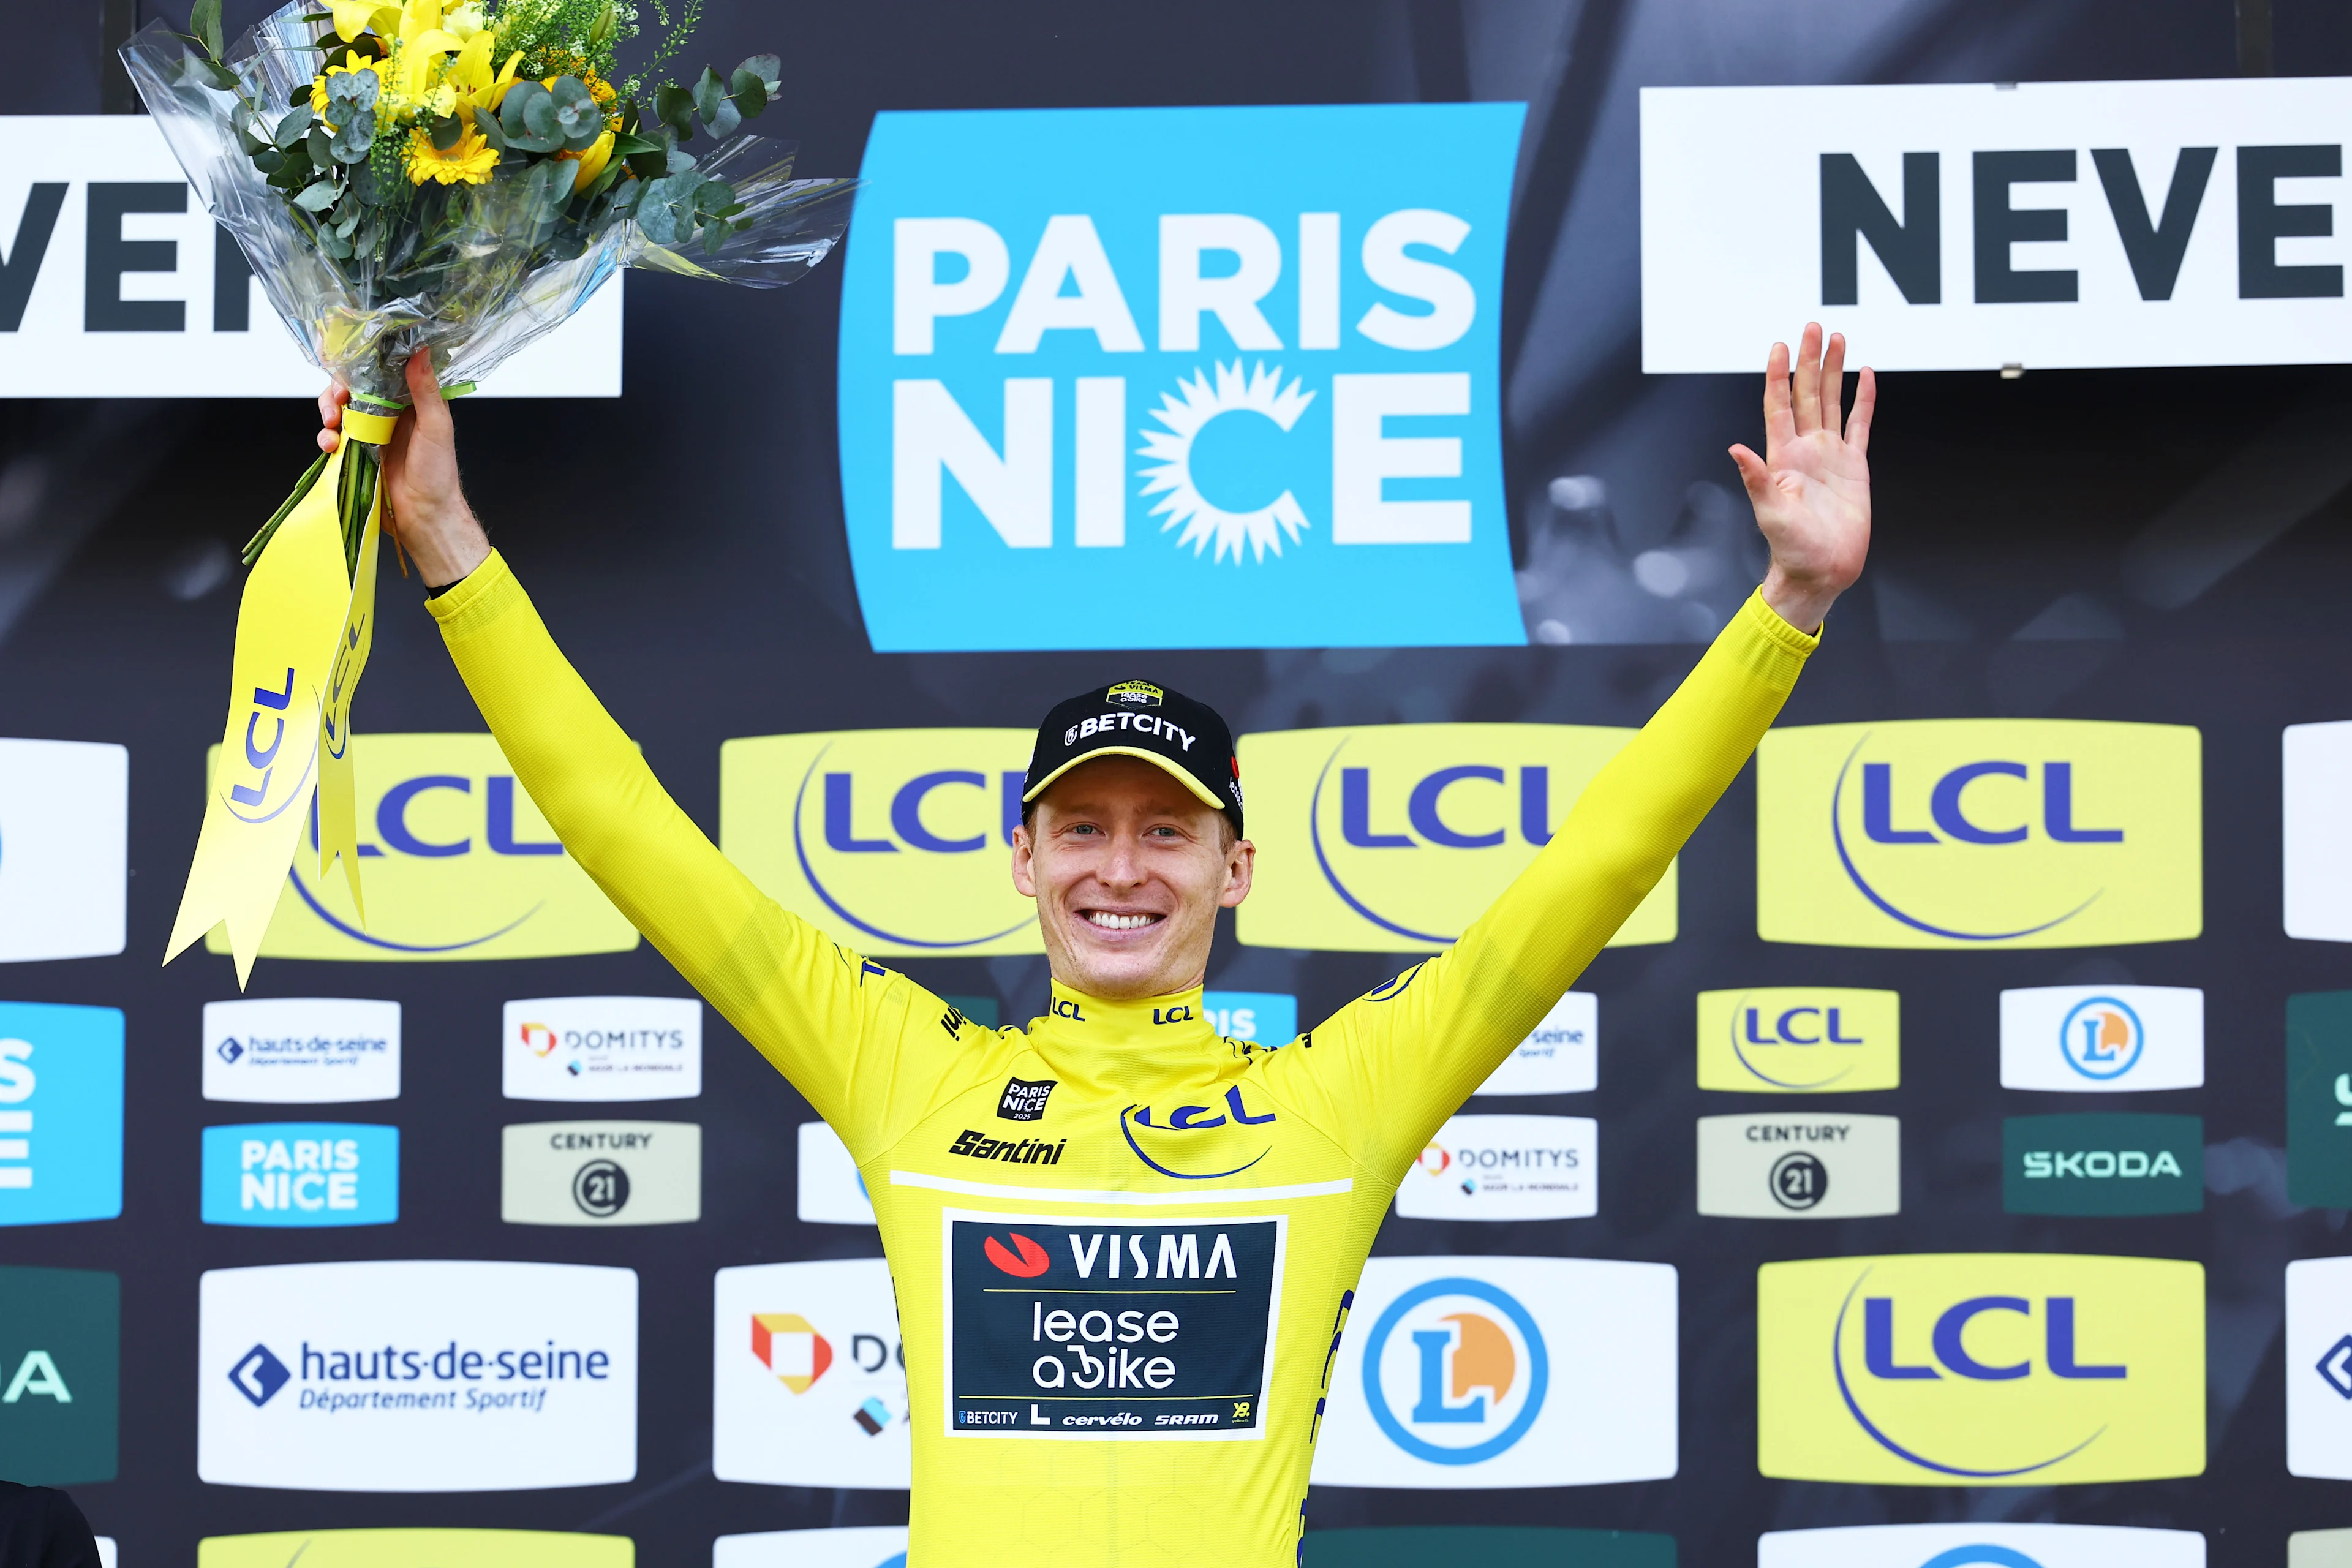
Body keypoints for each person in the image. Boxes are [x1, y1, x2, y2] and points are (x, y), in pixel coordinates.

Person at [319, 323, 1872, 1566]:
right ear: (1026, 858)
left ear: (1233, 867)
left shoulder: (1337, 1101)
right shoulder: (908, 1076)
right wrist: (450, 543)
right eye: (1083, 827)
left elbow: (1597, 864)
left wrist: (1788, 603)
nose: (1120, 868)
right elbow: (633, 834)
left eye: (1165, 831)